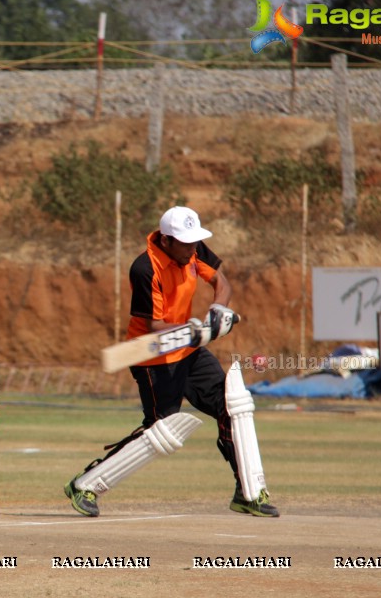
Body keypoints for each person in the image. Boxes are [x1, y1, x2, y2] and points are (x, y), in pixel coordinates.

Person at [64, 206, 279, 518]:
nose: (193, 249)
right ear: (166, 241)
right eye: (186, 244)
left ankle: (247, 492)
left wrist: (219, 308)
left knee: (231, 407)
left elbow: (221, 282)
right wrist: (193, 327)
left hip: (190, 349)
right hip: (153, 354)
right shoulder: (144, 268)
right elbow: (153, 325)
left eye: (195, 243)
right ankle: (85, 484)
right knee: (160, 431)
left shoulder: (191, 248)